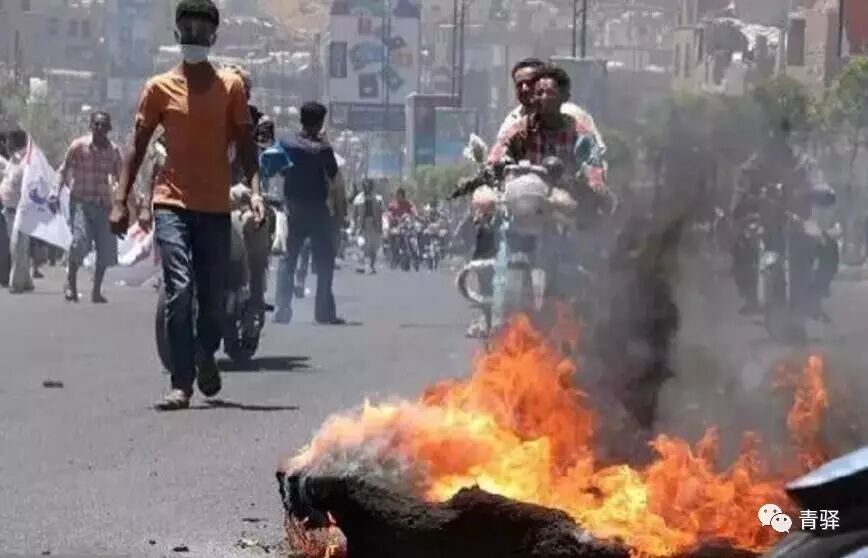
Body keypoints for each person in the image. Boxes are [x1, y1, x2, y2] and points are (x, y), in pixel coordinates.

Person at [113, 0, 264, 411]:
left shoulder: (231, 87)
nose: (195, 34)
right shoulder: (158, 88)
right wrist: (121, 200)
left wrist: (255, 192)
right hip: (171, 203)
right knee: (179, 290)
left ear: (214, 36)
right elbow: (137, 146)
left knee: (213, 298)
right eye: (189, 27)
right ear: (177, 33)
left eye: (203, 28)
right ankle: (181, 383)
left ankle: (205, 353)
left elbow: (246, 146)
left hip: (215, 207)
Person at [273, 101, 343, 325]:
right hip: (317, 209)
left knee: (288, 259)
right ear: (320, 122)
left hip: (293, 207)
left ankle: (282, 309)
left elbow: (278, 169)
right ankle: (323, 312)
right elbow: (333, 173)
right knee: (324, 262)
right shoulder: (322, 149)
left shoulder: (286, 144)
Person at [55, 111, 123, 303]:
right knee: (79, 242)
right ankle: (71, 283)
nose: (99, 128)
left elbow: (121, 179)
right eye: (96, 124)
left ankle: (96, 291)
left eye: (103, 125)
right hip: (81, 203)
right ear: (91, 126)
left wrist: (123, 206)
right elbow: (63, 170)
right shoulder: (78, 146)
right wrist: (55, 192)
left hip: (103, 205)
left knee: (106, 248)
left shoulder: (113, 151)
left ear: (109, 128)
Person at [496, 60, 604, 150]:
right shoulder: (514, 124)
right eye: (519, 85)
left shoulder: (576, 119)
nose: (524, 88)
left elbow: (595, 158)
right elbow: (498, 155)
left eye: (529, 83)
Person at [0, 130, 34, 293]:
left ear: (15, 142)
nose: (5, 144)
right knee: (19, 247)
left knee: (17, 247)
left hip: (20, 211)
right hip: (9, 210)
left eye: (8, 141)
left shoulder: (26, 162)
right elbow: (8, 178)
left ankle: (16, 283)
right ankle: (26, 281)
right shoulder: (13, 161)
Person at [352, 178, 385, 274]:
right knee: (362, 245)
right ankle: (362, 265)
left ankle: (372, 265)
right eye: (365, 186)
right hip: (363, 225)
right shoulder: (358, 199)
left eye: (368, 186)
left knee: (373, 247)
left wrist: (383, 226)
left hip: (374, 225)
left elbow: (383, 213)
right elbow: (354, 215)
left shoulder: (378, 199)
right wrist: (353, 227)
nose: (367, 188)